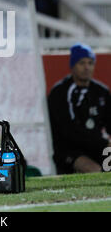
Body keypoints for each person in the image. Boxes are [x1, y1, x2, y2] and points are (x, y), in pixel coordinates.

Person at [48, 43, 111, 174]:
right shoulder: (60, 92)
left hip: (97, 147)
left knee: (108, 167)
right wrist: (104, 143)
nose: (87, 67)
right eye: (82, 63)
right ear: (73, 66)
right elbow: (69, 131)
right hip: (69, 150)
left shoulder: (101, 92)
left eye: (90, 63)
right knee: (95, 171)